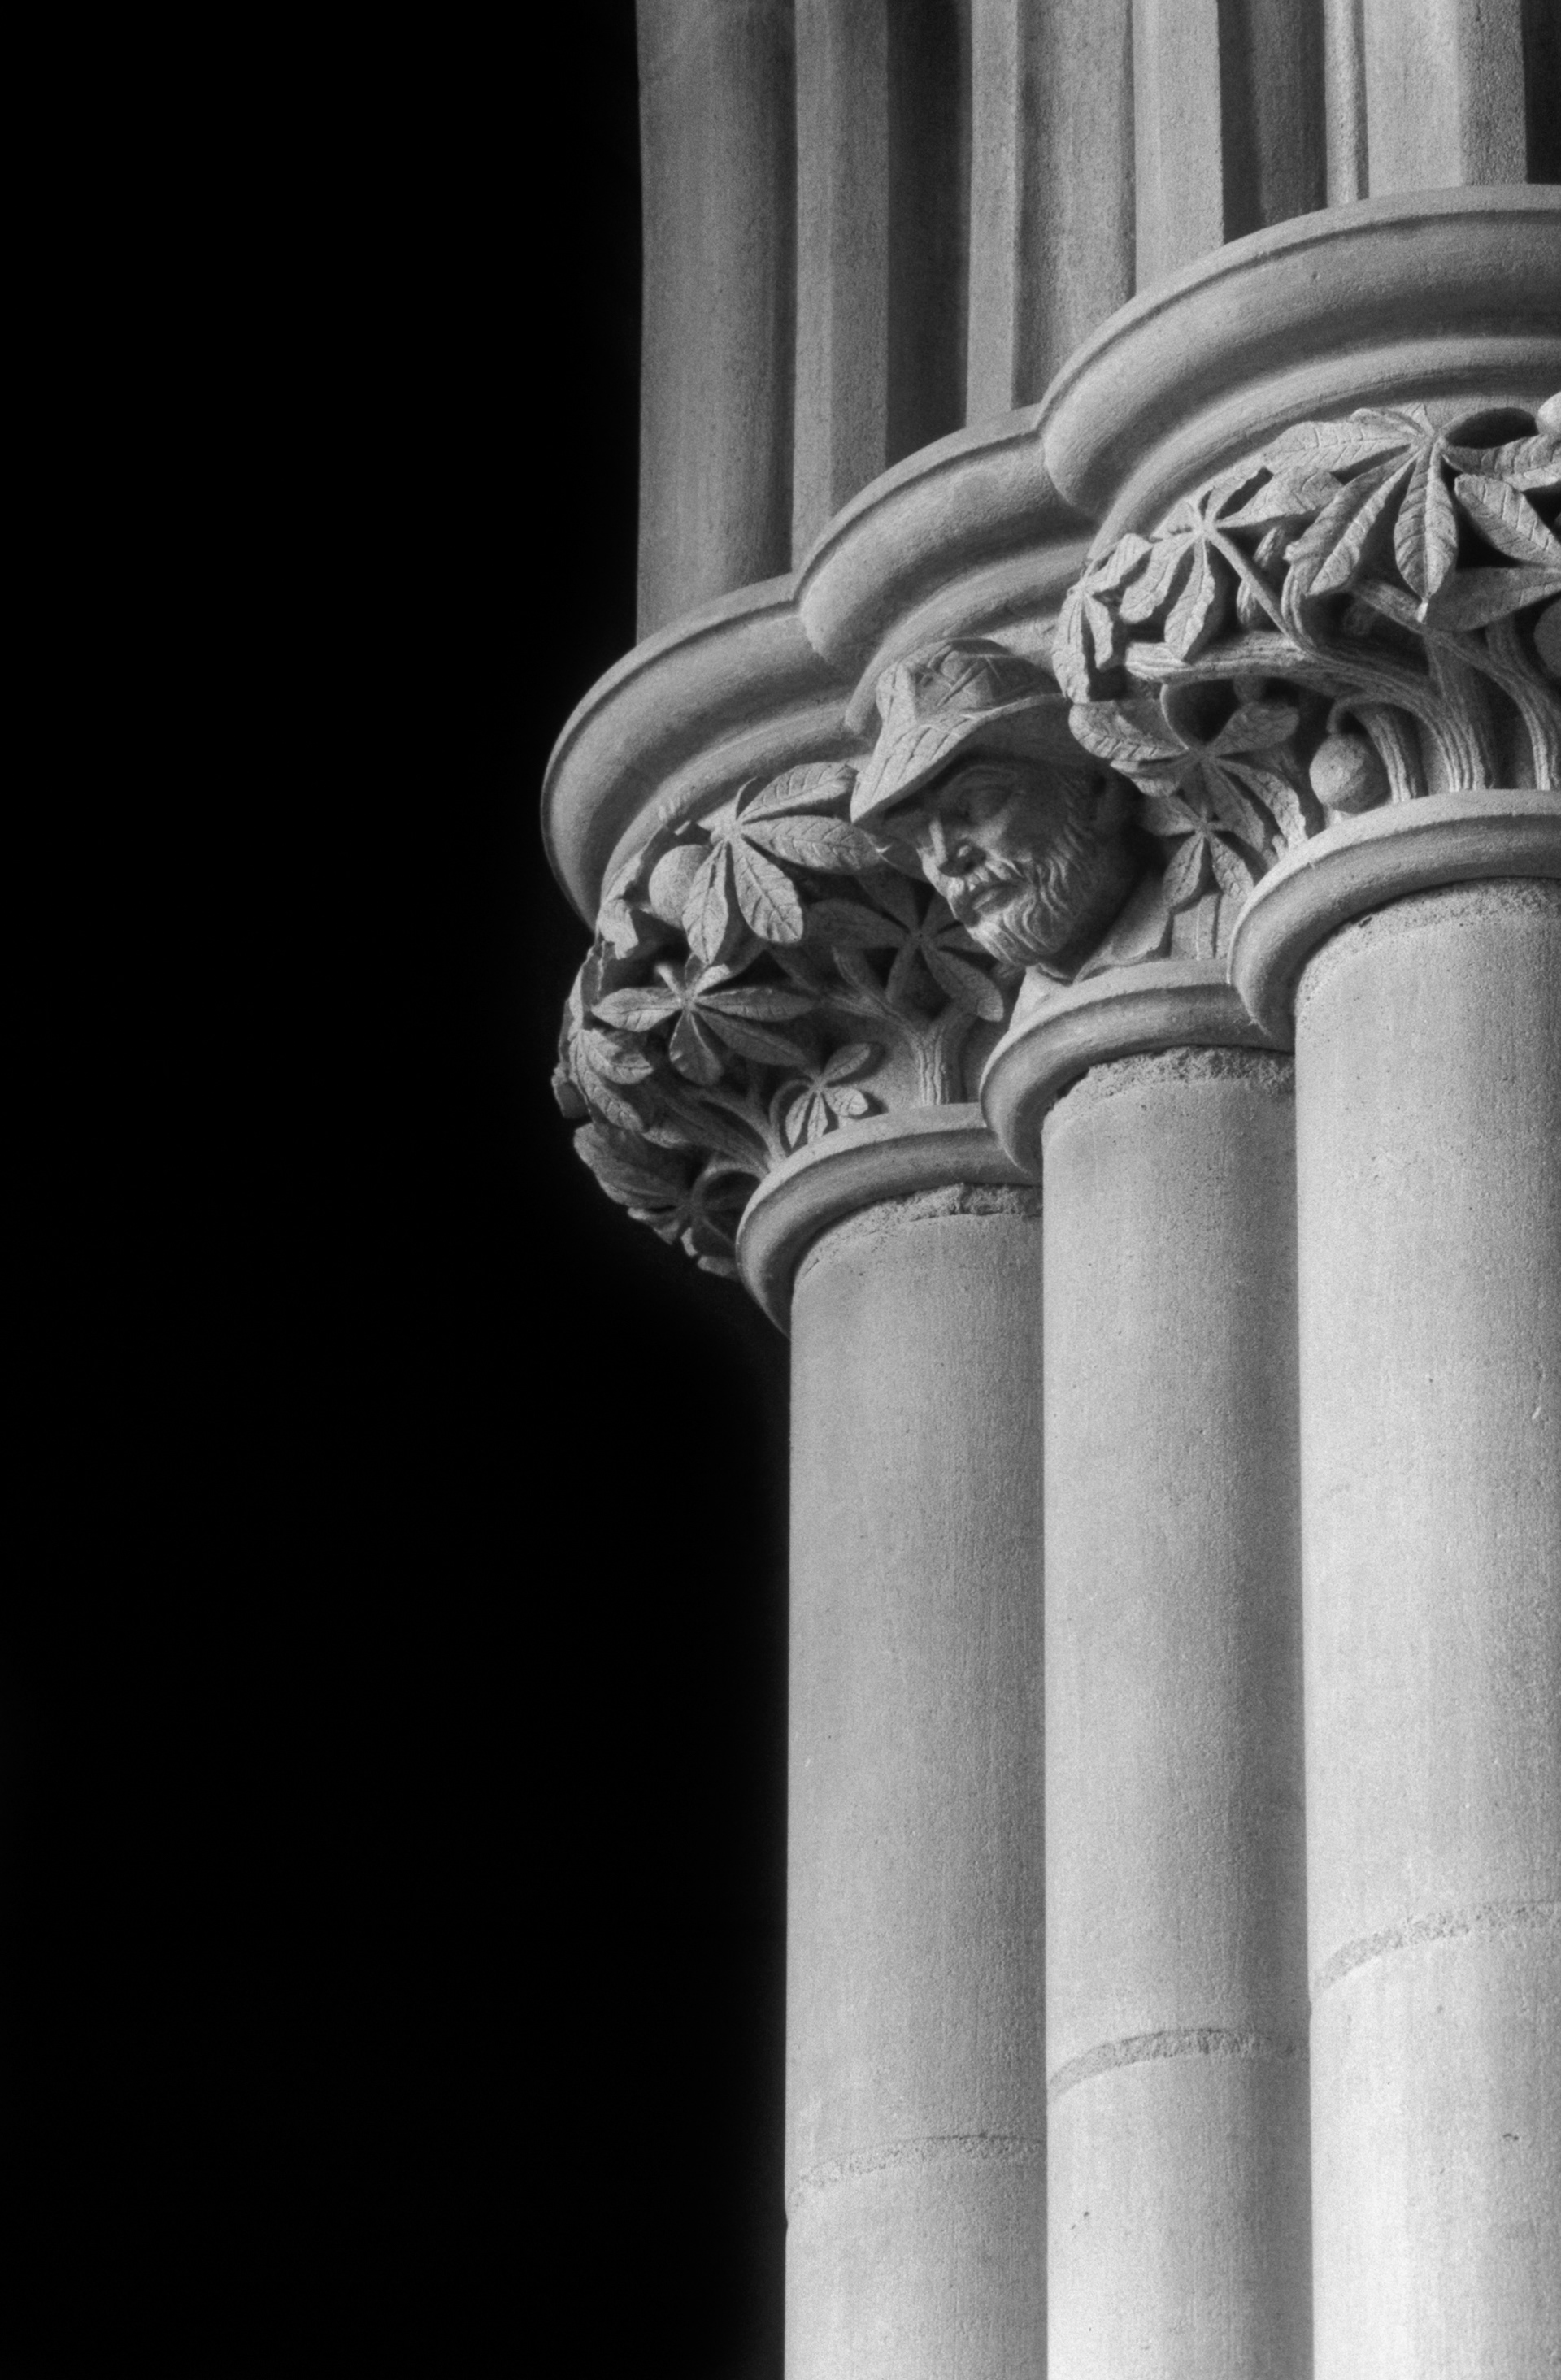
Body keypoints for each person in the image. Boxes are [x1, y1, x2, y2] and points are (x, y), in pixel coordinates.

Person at [851, 637, 1147, 976]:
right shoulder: (1024, 1011)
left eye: (978, 804)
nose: (947, 859)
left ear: (1098, 790)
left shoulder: (1212, 937)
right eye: (920, 840)